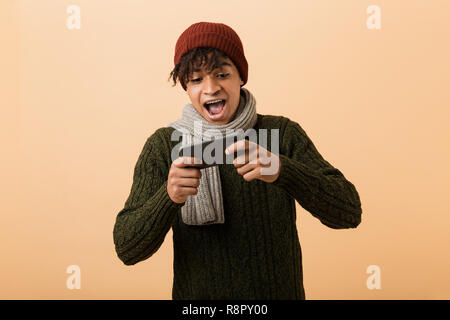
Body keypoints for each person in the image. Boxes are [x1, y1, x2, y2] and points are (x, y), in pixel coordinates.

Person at [112, 21, 362, 300]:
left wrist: (283, 170)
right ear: (185, 86)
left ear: (240, 77)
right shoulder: (164, 145)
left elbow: (349, 213)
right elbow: (127, 249)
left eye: (221, 74)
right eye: (196, 79)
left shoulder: (280, 134)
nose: (211, 88)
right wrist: (169, 197)